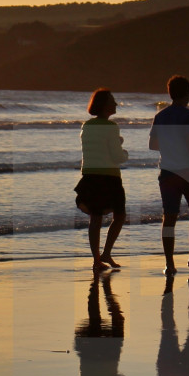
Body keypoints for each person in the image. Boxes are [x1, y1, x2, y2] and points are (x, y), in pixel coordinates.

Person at [149, 75, 189, 274]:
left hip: (167, 171)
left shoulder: (160, 116)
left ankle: (169, 263)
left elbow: (152, 145)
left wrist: (170, 145)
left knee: (169, 217)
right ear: (187, 94)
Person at [75, 89, 127, 271]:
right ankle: (106, 253)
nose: (116, 104)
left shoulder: (86, 126)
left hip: (89, 176)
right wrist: (124, 151)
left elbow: (96, 150)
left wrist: (116, 143)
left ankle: (97, 260)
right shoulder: (111, 127)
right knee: (119, 216)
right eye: (113, 101)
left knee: (95, 219)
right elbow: (117, 156)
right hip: (109, 177)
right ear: (105, 105)